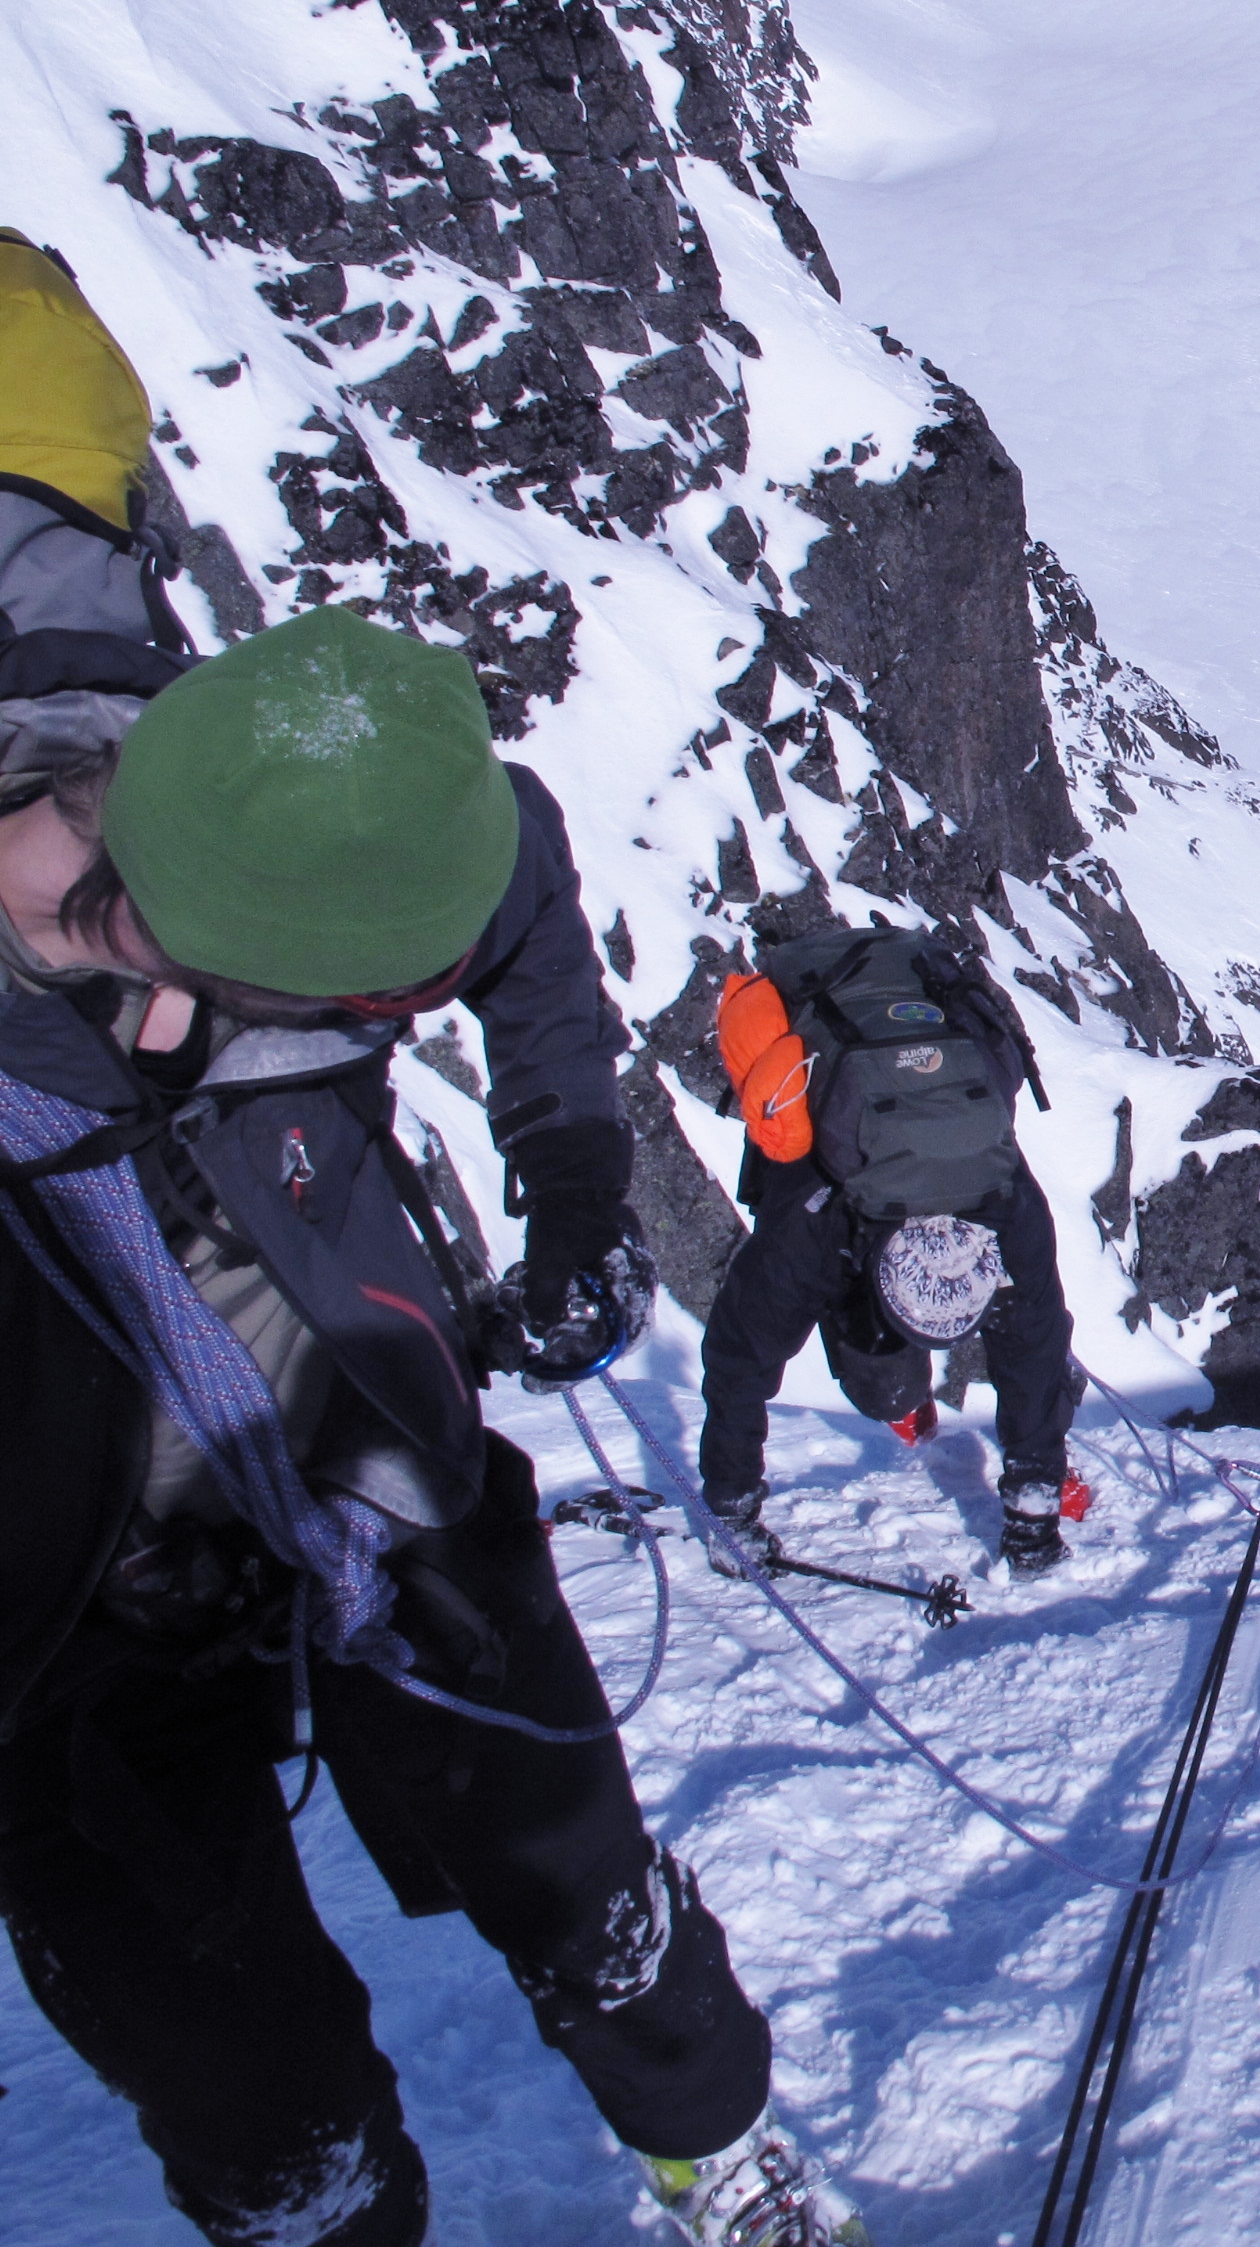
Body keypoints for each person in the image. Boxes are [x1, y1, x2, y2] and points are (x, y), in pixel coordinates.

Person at [0, 232, 861, 2247]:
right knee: (555, 1885)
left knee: (263, 2068)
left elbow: (503, 869)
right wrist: (560, 1169)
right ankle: (711, 2152)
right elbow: (506, 862)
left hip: (153, 1565)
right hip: (311, 1469)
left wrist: (575, 1167)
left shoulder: (217, 800)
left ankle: (673, 2146)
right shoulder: (228, 772)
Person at [697, 924, 1085, 1573]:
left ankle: (911, 1397)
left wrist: (1034, 1511)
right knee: (881, 1390)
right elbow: (737, 1360)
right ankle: (900, 1397)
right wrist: (732, 1511)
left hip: (931, 1119)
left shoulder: (1010, 1212)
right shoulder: (810, 1231)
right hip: (841, 1150)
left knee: (1032, 1339)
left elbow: (1036, 1355)